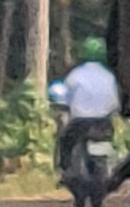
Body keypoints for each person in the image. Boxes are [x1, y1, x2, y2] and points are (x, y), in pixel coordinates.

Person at [50, 37, 124, 184]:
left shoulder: (75, 75)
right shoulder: (109, 76)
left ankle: (65, 172)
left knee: (65, 142)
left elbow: (64, 97)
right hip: (103, 122)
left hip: (79, 122)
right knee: (110, 144)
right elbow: (116, 102)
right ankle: (110, 171)